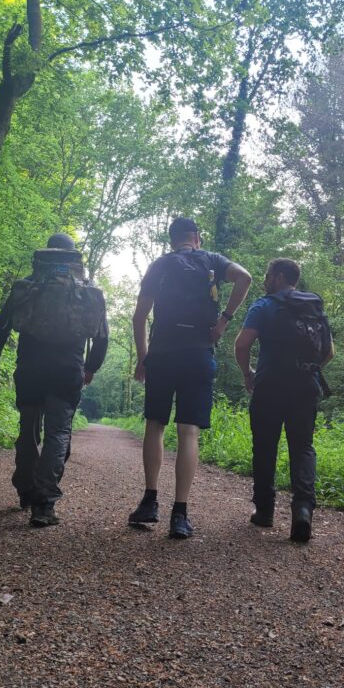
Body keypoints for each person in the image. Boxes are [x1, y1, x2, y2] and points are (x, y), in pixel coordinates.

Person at [129, 217, 252, 538]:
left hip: (164, 350)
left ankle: (150, 500)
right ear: (197, 237)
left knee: (155, 424)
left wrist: (144, 358)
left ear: (172, 241)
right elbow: (245, 278)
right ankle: (180, 514)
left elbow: (139, 317)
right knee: (188, 430)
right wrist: (223, 322)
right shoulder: (212, 260)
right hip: (198, 350)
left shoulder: (159, 265)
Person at [0, 234, 108, 527]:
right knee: (58, 433)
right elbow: (102, 337)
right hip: (68, 369)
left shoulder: (27, 287)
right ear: (73, 257)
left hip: (30, 368)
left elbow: (0, 328)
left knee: (28, 428)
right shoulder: (87, 291)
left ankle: (25, 488)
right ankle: (44, 504)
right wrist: (90, 368)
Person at [233, 258, 333, 543]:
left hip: (269, 385)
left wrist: (247, 373)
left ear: (278, 277)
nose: (264, 280)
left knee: (265, 447)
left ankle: (264, 511)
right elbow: (329, 353)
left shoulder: (264, 306)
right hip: (306, 386)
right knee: (302, 448)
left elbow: (242, 344)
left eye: (267, 275)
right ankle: (302, 510)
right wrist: (308, 371)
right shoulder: (313, 308)